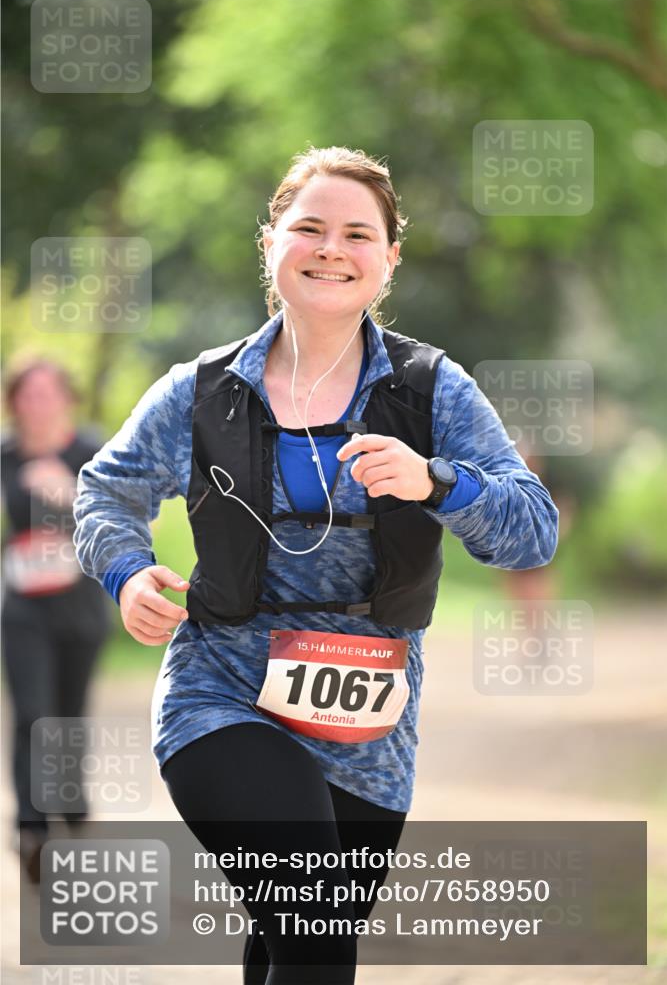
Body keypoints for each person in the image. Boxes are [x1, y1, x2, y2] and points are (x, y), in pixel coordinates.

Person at [72, 145, 558, 983]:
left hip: (368, 721)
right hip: (221, 691)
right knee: (316, 933)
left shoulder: (432, 390)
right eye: (309, 228)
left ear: (389, 257)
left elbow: (532, 533)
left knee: (292, 946)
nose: (331, 248)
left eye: (357, 234)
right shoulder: (202, 389)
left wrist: (436, 480)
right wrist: (127, 571)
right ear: (270, 243)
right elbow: (104, 493)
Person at [1, 357, 111, 883]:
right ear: (14, 402)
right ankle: (32, 829)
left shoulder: (90, 452)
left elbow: (122, 517)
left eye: (48, 393)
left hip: (80, 605)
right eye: (28, 394)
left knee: (68, 715)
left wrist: (66, 495)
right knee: (32, 714)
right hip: (23, 608)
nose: (38, 404)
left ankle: (71, 802)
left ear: (67, 399)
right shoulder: (5, 455)